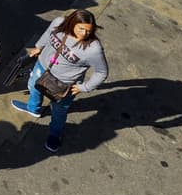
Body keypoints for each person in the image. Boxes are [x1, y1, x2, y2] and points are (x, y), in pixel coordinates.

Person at [12, 9, 109, 153]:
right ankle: (34, 109)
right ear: (71, 23)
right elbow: (47, 35)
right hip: (42, 67)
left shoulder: (93, 48)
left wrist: (84, 87)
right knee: (34, 86)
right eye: (81, 29)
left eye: (89, 31)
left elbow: (102, 72)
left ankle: (54, 135)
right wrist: (38, 47)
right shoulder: (59, 23)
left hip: (64, 85)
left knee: (59, 111)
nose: (84, 34)